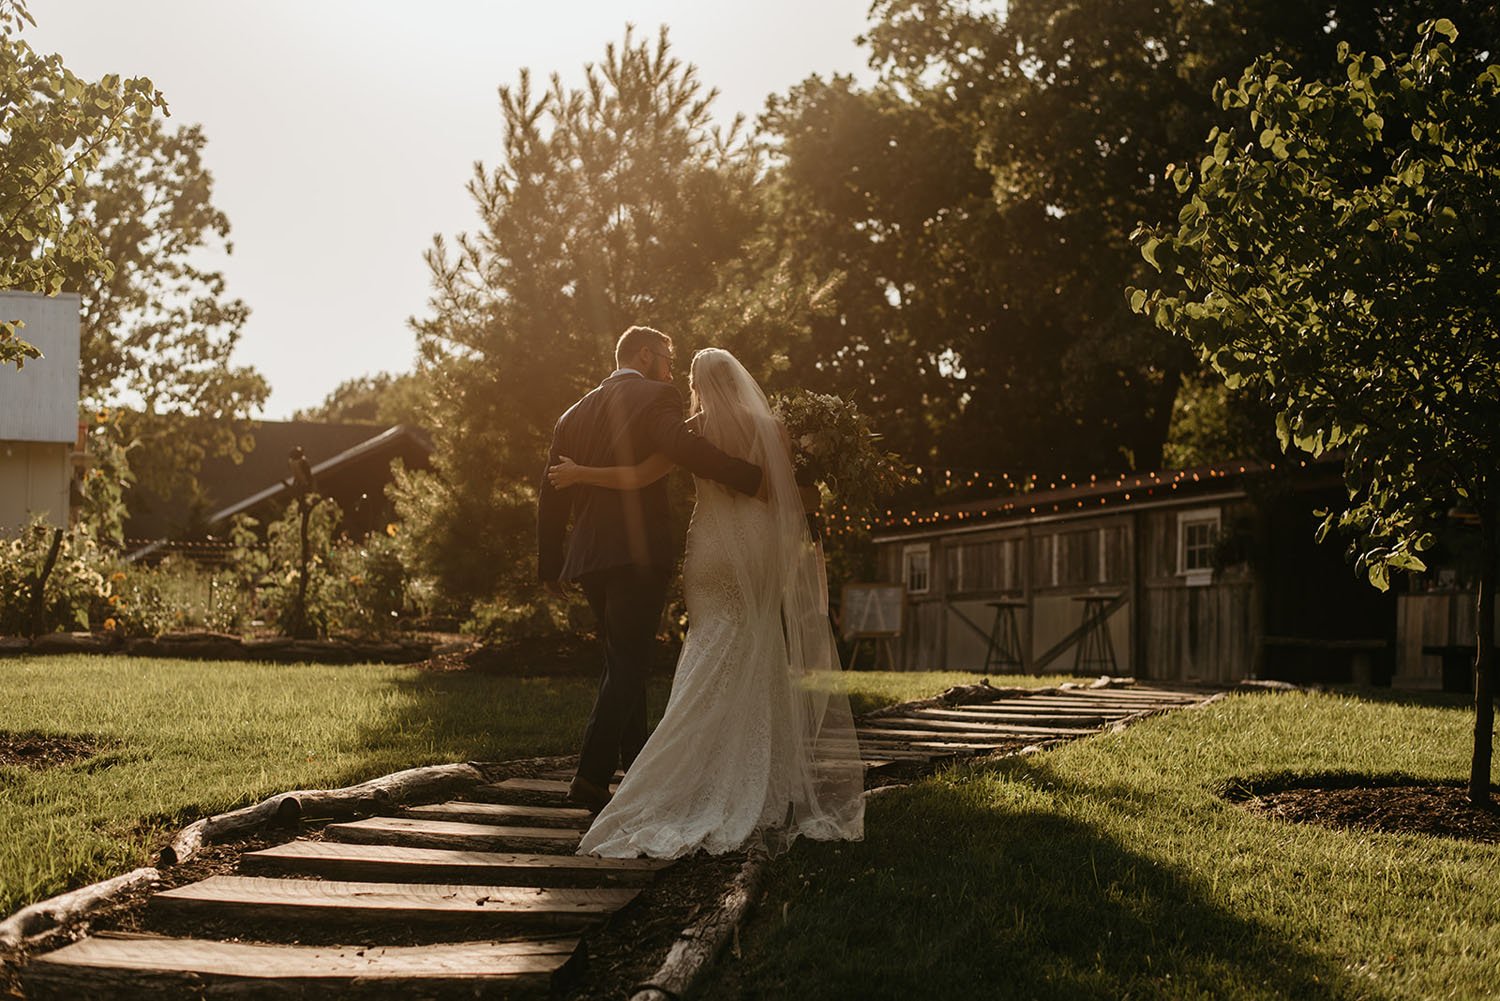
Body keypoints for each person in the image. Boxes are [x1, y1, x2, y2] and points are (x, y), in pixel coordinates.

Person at [547, 347, 864, 859]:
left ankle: (681, 765)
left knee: (709, 644)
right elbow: (791, 496)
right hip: (759, 547)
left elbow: (635, 479)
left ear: (698, 382)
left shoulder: (688, 431)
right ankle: (760, 774)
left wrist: (582, 472)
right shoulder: (772, 427)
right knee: (758, 642)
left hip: (711, 551)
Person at [537, 327, 763, 814]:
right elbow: (680, 446)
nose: (670, 368)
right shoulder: (656, 395)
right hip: (636, 554)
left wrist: (551, 561)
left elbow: (549, 491)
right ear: (645, 354)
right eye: (666, 358)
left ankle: (636, 768)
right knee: (628, 663)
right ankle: (590, 777)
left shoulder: (573, 412)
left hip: (590, 558)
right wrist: (748, 476)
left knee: (623, 660)